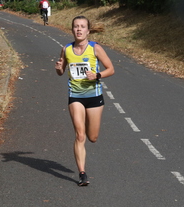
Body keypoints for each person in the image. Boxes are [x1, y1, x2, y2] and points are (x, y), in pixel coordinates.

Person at [55, 16, 115, 186]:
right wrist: (59, 69)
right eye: (76, 26)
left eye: (82, 27)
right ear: (72, 29)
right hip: (75, 96)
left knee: (92, 137)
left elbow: (111, 69)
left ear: (88, 31)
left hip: (94, 97)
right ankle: (82, 173)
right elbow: (61, 71)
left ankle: (89, 137)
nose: (79, 29)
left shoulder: (95, 48)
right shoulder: (66, 49)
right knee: (80, 135)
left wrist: (97, 75)